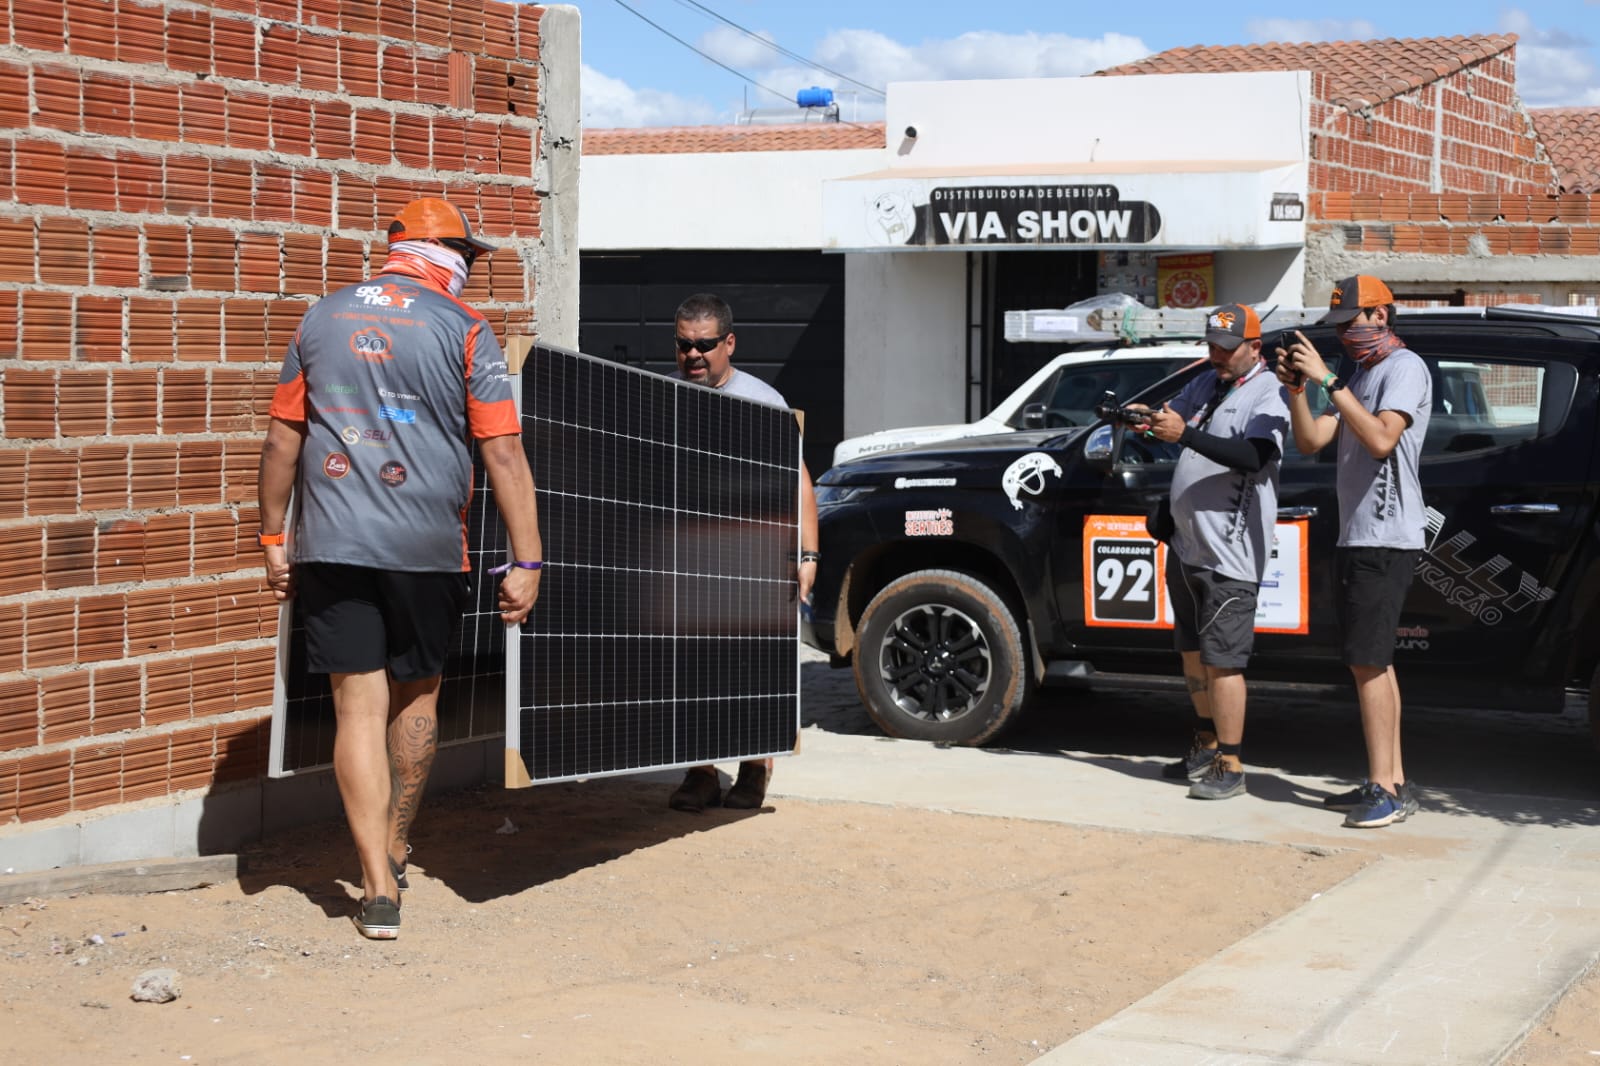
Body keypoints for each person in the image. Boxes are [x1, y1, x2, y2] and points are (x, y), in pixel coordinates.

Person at [258, 198, 544, 938]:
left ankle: (377, 887)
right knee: (415, 697)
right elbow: (504, 452)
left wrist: (270, 538)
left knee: (355, 705)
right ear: (446, 253)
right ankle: (392, 844)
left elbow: (282, 442)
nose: (470, 272)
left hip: (332, 544)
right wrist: (528, 559)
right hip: (426, 549)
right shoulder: (465, 330)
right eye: (468, 258)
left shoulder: (320, 319)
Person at [1274, 276, 1430, 828]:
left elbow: (1383, 439)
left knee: (1370, 663)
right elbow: (1314, 440)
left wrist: (1329, 377)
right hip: (1359, 534)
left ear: (1382, 315)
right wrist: (1297, 388)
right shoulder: (1362, 375)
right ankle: (1390, 781)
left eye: (1351, 323)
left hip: (1385, 536)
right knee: (1371, 663)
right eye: (1338, 327)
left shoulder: (1403, 368)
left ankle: (1384, 790)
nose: (1344, 334)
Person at [664, 292, 820, 813]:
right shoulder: (664, 399)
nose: (694, 356)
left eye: (706, 345)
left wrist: (809, 555)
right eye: (685, 345)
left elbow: (798, 480)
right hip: (692, 555)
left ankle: (756, 768)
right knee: (692, 668)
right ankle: (701, 771)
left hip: (755, 552)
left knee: (752, 668)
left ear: (728, 343)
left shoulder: (763, 402)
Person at [1138, 303, 1288, 800]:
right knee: (1192, 656)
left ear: (1254, 348)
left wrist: (1186, 435)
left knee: (1224, 662)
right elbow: (1175, 417)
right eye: (1211, 347)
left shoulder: (1270, 392)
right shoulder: (1208, 381)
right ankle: (1204, 744)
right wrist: (1145, 419)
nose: (1216, 356)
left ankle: (1233, 763)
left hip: (1230, 553)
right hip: (1187, 545)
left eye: (1226, 349)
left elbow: (1254, 456)